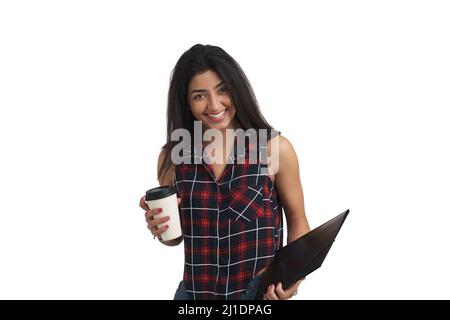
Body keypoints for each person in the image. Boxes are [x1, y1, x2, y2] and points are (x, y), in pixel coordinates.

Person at [139, 44, 310, 300]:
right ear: (186, 102)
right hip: (194, 296)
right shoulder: (173, 158)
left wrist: (291, 279)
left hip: (256, 295)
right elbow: (175, 238)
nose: (214, 104)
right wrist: (158, 228)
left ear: (236, 89)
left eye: (222, 90)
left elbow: (298, 222)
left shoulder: (274, 149)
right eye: (199, 95)